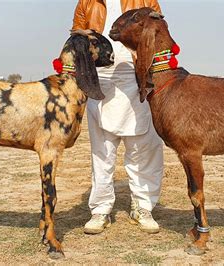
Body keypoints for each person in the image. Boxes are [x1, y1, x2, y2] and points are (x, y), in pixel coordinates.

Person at [72, 0, 164, 234]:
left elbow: (159, 33)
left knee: (143, 149)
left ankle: (143, 207)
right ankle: (100, 209)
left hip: (138, 79)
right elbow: (76, 38)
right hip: (101, 81)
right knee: (101, 152)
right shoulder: (88, 2)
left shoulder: (146, 1)